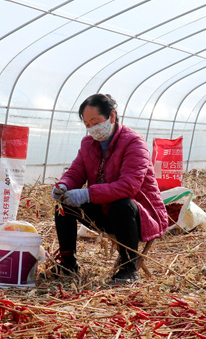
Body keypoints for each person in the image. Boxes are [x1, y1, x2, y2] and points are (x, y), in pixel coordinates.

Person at [50, 93, 169, 285]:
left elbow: (128, 186)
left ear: (112, 116)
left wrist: (87, 194)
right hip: (106, 210)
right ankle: (68, 264)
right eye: (88, 125)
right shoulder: (88, 144)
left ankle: (129, 269)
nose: (92, 129)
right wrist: (63, 185)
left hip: (140, 216)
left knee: (122, 205)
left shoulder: (134, 143)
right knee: (63, 206)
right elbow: (76, 171)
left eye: (96, 122)